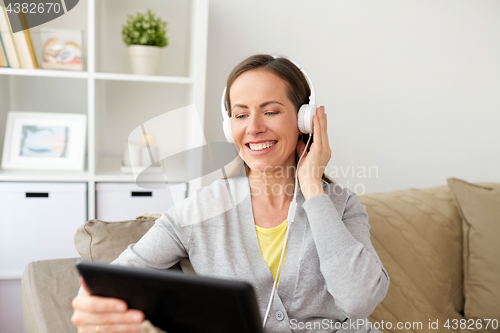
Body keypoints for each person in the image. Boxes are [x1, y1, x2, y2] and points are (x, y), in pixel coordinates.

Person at [72, 54, 389, 333]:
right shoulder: (201, 210)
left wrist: (313, 188)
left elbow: (358, 300)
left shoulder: (340, 205)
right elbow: (113, 279)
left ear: (304, 121)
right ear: (229, 127)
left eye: (271, 111)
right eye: (240, 115)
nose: (253, 127)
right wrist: (91, 306)